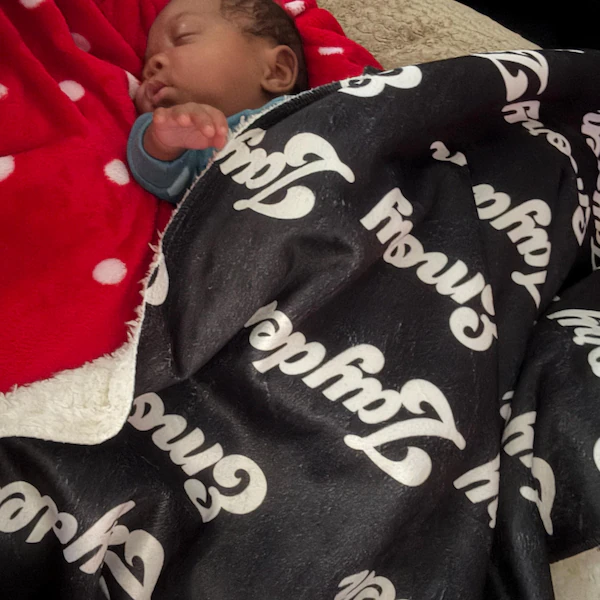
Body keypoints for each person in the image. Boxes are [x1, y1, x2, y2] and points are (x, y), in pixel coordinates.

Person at [127, 0, 309, 203]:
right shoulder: (200, 150)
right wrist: (160, 141)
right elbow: (158, 173)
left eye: (183, 37)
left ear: (276, 70)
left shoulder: (318, 108)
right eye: (146, 62)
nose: (152, 64)